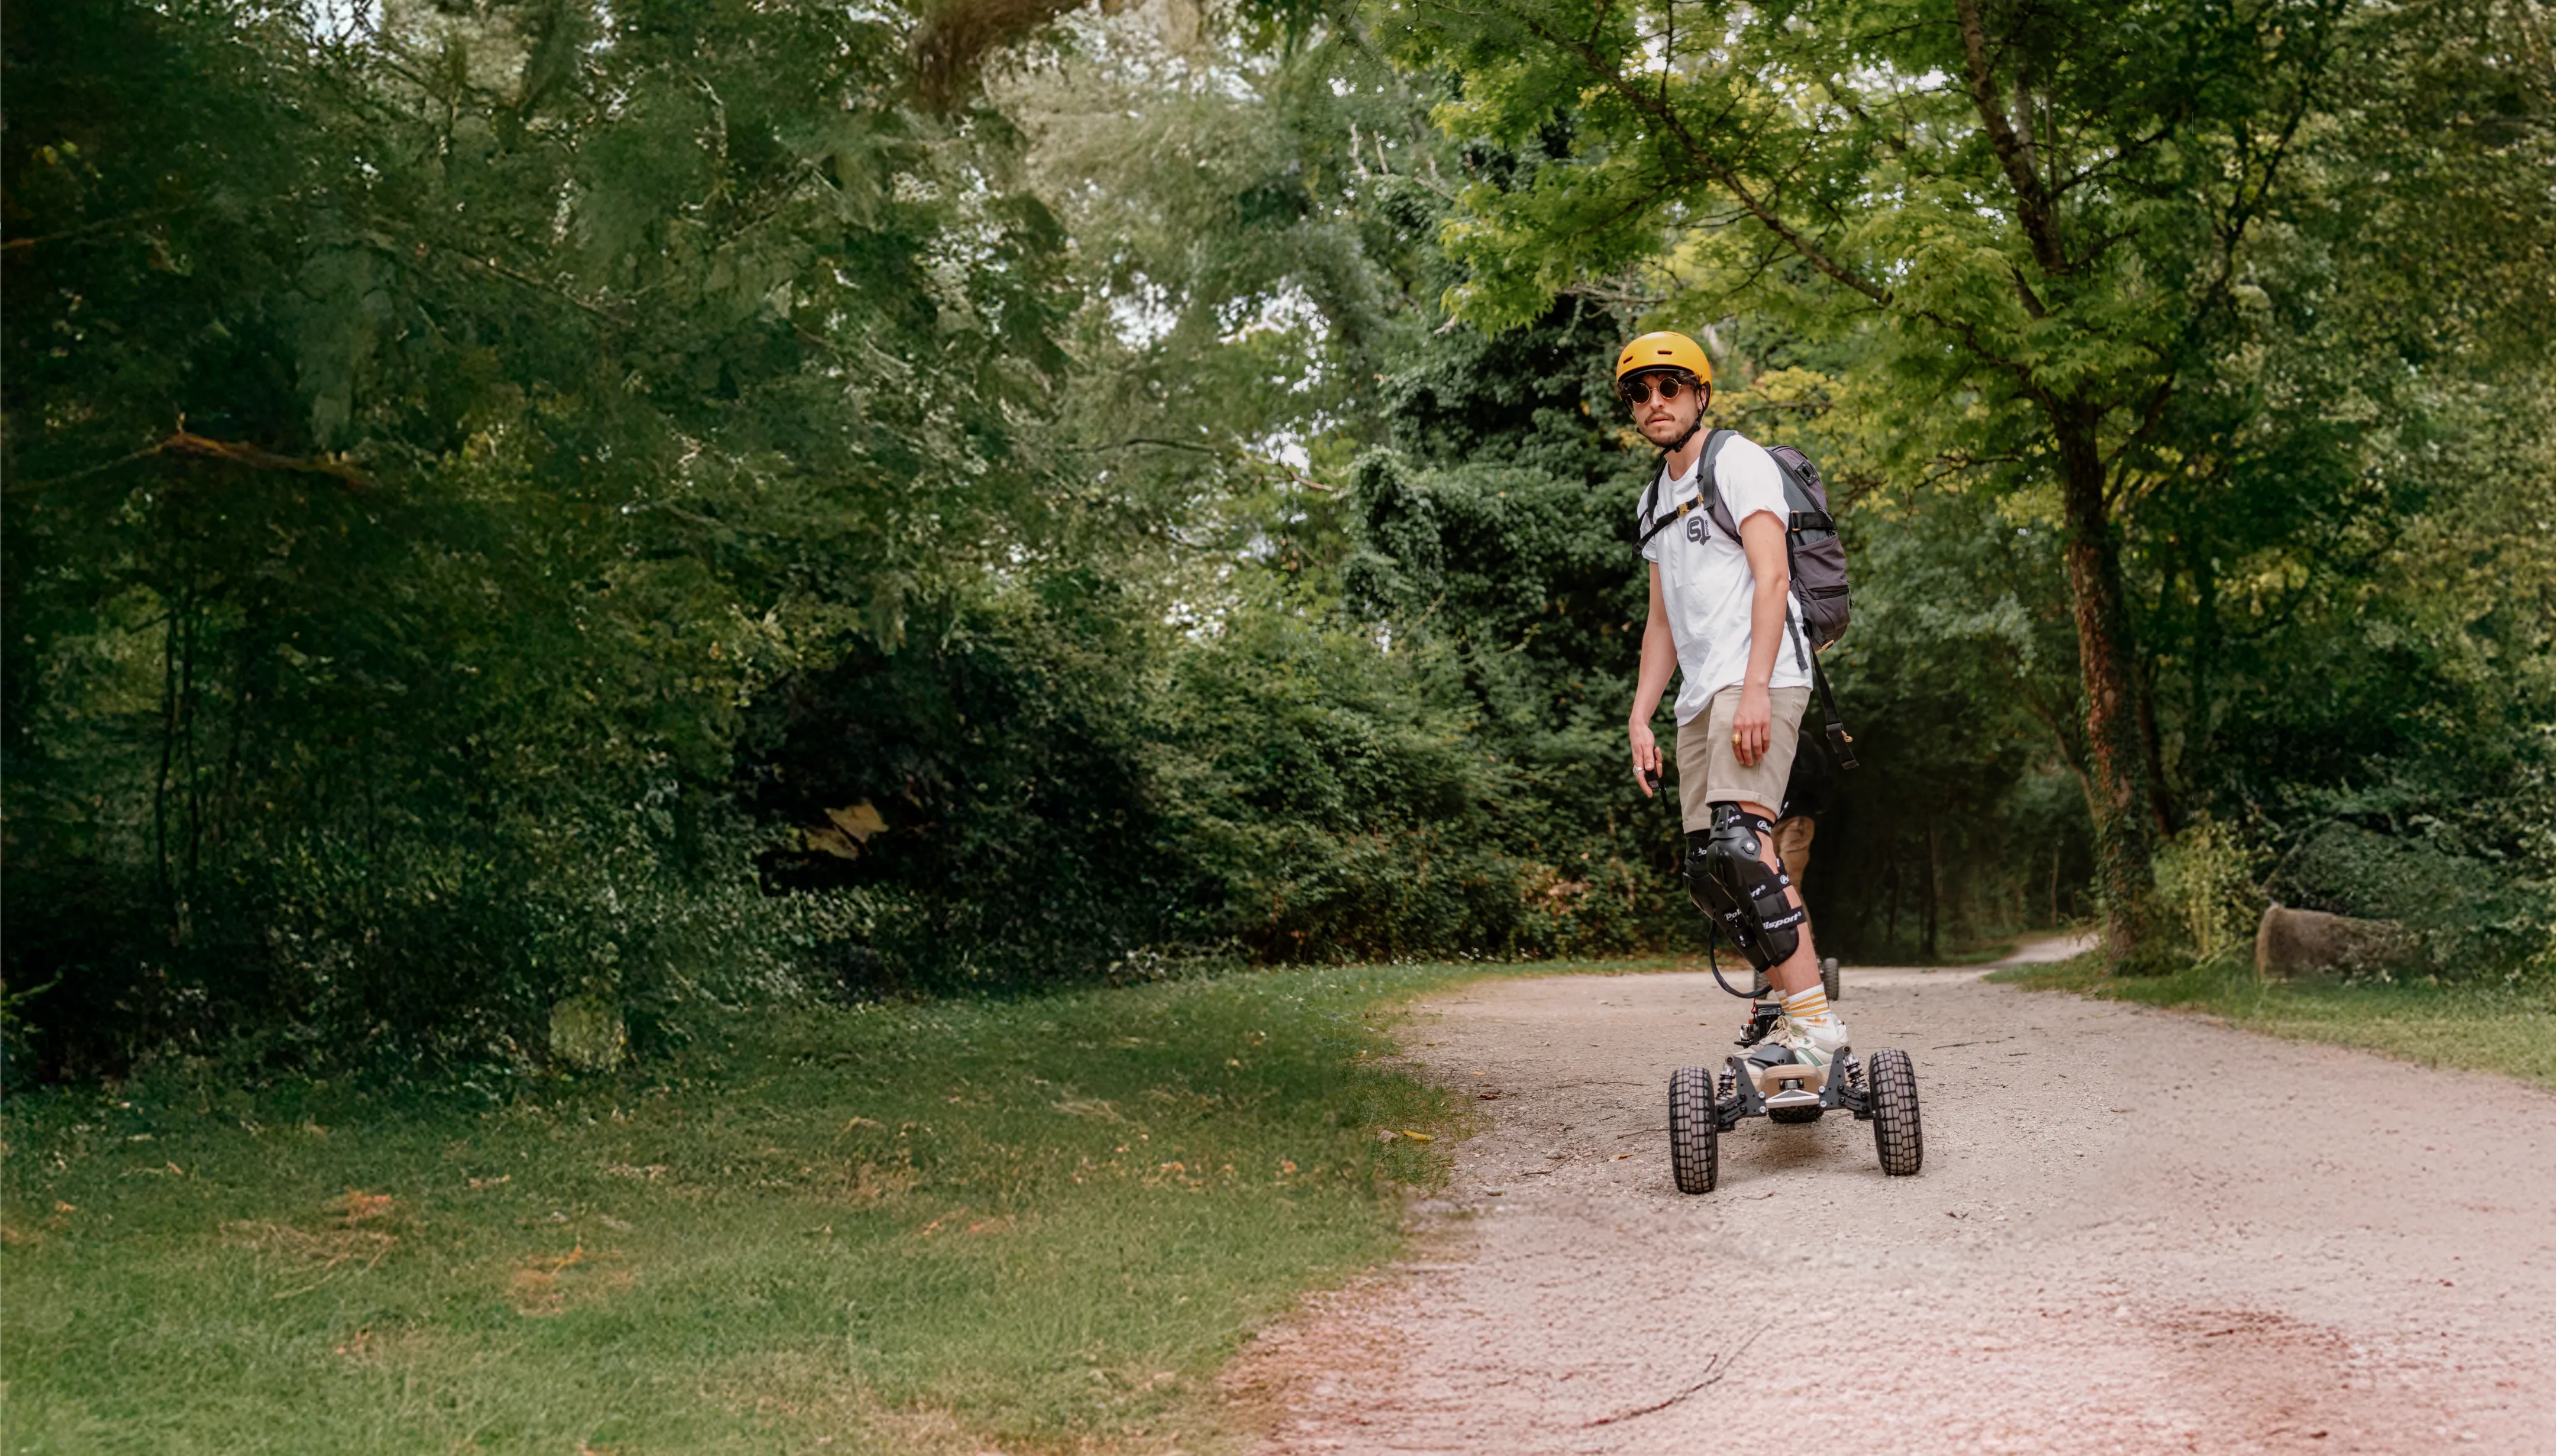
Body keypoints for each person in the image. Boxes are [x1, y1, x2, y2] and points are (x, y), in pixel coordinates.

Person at [1618, 331, 1850, 1065]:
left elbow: (1774, 578)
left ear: (1700, 394)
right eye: (1640, 392)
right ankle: (1784, 1011)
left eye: (1670, 387)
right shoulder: (1654, 498)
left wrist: (1755, 690)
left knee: (1747, 847)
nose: (1656, 402)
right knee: (1709, 872)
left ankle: (1815, 1027)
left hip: (1763, 675)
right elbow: (1662, 620)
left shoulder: (1739, 462)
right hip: (1697, 698)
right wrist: (1640, 713)